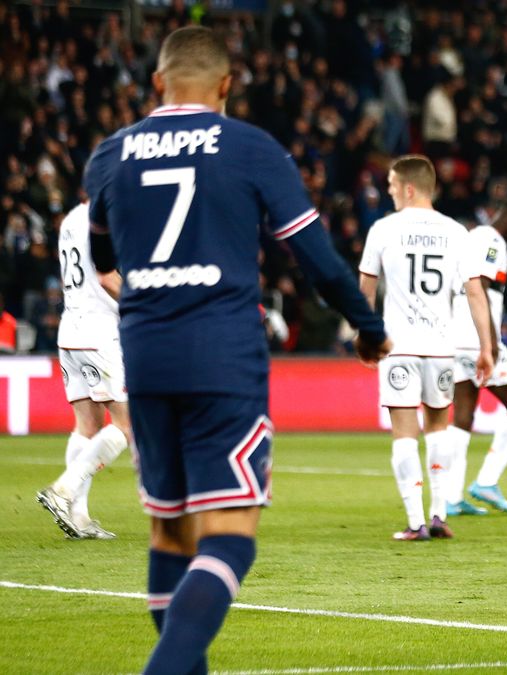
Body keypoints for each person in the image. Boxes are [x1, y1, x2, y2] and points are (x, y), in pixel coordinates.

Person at [83, 26, 390, 673]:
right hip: (222, 354)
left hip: (145, 355)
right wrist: (366, 325)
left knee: (169, 529)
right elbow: (319, 262)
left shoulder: (109, 155)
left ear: (157, 82)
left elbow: (104, 254)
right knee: (230, 536)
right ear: (227, 86)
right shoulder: (251, 148)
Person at [358, 154, 494, 541]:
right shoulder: (455, 231)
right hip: (441, 348)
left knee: (404, 432)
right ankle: (438, 515)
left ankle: (415, 521)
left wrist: (364, 335)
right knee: (437, 428)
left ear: (409, 188)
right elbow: (474, 292)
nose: (389, 192)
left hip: (397, 346)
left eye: (391, 186)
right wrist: (486, 346)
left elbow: (366, 288)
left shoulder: (384, 229)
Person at [35, 202, 131, 540]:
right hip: (99, 331)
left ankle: (78, 517)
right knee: (125, 424)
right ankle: (62, 490)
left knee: (87, 426)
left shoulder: (72, 217)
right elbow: (107, 277)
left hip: (71, 328)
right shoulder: (108, 217)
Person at [442, 198, 507, 517]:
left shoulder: (471, 238)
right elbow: (477, 285)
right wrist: (490, 344)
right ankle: (487, 481)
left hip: (455, 338)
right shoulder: (491, 240)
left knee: (463, 415)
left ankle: (451, 498)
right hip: (475, 338)